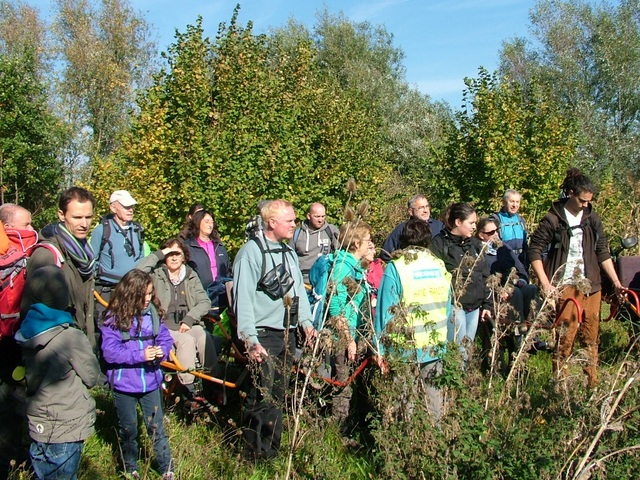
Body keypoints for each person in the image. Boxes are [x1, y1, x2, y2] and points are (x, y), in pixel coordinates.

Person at [233, 199, 316, 460]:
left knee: (279, 395)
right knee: (261, 395)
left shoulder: (288, 251)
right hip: (263, 335)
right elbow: (242, 298)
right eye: (289, 220)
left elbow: (298, 290)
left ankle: (273, 453)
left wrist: (306, 323)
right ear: (272, 223)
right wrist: (250, 339)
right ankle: (252, 455)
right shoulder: (251, 252)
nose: (295, 224)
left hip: (287, 334)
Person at [529, 168, 622, 387]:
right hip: (564, 284)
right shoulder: (553, 219)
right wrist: (545, 283)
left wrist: (616, 282)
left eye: (589, 201)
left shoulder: (592, 218)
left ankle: (592, 383)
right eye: (582, 200)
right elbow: (534, 251)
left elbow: (602, 251)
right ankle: (560, 384)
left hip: (591, 284)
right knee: (565, 338)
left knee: (590, 336)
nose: (585, 205)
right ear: (570, 194)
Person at [15, 265, 101, 480]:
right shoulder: (70, 337)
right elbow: (91, 377)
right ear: (64, 295)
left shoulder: (24, 332)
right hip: (66, 422)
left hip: (38, 420)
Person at [99, 270, 174, 479]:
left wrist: (162, 351)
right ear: (130, 294)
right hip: (125, 386)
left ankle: (167, 468)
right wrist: (140, 354)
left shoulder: (153, 314)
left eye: (150, 294)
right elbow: (110, 352)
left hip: (151, 382)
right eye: (143, 295)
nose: (147, 299)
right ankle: (129, 467)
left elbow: (165, 338)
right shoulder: (113, 318)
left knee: (157, 428)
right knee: (129, 429)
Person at [375, 219, 452, 421]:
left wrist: (380, 350)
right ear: (428, 240)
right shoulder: (439, 265)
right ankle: (434, 444)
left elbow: (385, 311)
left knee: (403, 403)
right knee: (434, 402)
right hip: (435, 344)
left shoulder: (396, 268)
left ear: (402, 241)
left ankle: (403, 444)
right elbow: (448, 306)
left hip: (403, 347)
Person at [136, 238, 217, 394]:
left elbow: (204, 302)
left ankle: (212, 383)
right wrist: (159, 254)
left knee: (202, 335)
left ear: (184, 257)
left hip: (187, 323)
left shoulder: (191, 275)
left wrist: (190, 318)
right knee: (185, 341)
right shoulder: (156, 275)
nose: (174, 258)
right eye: (170, 254)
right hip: (164, 326)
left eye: (177, 254)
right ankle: (188, 388)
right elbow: (137, 272)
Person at [24, 187, 97, 346]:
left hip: (82, 345)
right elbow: (28, 312)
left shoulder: (87, 254)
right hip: (57, 352)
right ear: (61, 215)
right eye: (77, 217)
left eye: (89, 217)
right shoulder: (48, 255)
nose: (84, 224)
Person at [325, 220, 373, 431]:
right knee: (343, 386)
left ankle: (358, 426)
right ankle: (341, 432)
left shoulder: (354, 266)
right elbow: (336, 308)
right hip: (344, 338)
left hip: (356, 334)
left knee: (357, 385)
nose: (370, 244)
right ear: (355, 243)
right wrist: (348, 339)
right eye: (367, 240)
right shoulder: (342, 267)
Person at [430, 203, 491, 354]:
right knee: (457, 352)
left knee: (466, 353)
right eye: (471, 223)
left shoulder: (475, 245)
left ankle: (462, 377)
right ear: (458, 222)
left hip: (474, 308)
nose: (474, 227)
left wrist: (487, 305)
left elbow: (485, 276)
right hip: (454, 307)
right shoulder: (439, 244)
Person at [90, 190, 147, 318]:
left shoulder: (138, 230)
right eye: (126, 207)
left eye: (131, 206)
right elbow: (92, 261)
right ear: (113, 208)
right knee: (106, 330)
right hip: (108, 291)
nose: (130, 210)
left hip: (133, 290)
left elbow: (142, 258)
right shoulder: (101, 230)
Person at [183, 209, 231, 315]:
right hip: (199, 298)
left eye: (212, 222)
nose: (210, 225)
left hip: (222, 298)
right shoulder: (187, 247)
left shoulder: (219, 246)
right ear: (197, 222)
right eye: (207, 221)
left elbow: (228, 271)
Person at [381, 194, 444, 262]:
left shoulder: (439, 226)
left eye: (427, 206)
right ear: (411, 211)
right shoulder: (402, 229)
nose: (425, 210)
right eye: (421, 208)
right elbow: (386, 255)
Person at [292, 202, 339, 284]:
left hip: (324, 280)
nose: (320, 220)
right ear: (308, 216)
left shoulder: (331, 231)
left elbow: (339, 253)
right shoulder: (297, 234)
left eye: (323, 216)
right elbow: (290, 258)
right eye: (317, 217)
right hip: (303, 281)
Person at [490, 189, 529, 268]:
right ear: (504, 202)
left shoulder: (521, 220)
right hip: (503, 262)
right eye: (512, 201)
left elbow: (525, 245)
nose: (515, 205)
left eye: (517, 202)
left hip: (521, 262)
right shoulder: (495, 219)